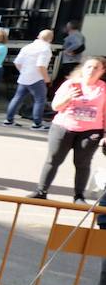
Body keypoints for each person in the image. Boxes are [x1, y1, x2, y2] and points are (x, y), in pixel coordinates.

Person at [32, 57, 106, 204]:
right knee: (53, 160)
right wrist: (68, 97)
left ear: (102, 71)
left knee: (82, 164)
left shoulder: (103, 89)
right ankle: (41, 191)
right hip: (63, 127)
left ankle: (79, 196)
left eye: (96, 68)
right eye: (89, 67)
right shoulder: (70, 84)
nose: (91, 70)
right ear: (83, 68)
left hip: (90, 131)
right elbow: (55, 107)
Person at [3, 29, 54, 130]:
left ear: (39, 36)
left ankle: (8, 120)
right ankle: (37, 124)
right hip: (36, 78)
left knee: (17, 98)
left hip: (24, 77)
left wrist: (24, 72)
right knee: (40, 100)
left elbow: (17, 62)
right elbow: (41, 66)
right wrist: (47, 79)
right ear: (51, 39)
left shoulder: (28, 47)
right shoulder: (45, 49)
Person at [55, 20, 86, 90]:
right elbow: (82, 46)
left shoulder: (73, 35)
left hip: (70, 60)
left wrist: (67, 50)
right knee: (61, 77)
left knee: (70, 78)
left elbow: (77, 44)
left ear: (69, 27)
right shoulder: (79, 35)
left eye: (67, 26)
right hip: (72, 60)